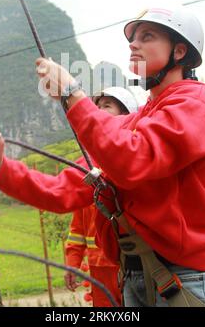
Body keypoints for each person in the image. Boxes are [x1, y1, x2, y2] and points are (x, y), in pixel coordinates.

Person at [0, 7, 205, 307]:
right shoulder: (131, 124)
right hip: (135, 278)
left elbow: (132, 158)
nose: (133, 44)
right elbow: (64, 189)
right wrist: (1, 169)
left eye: (146, 36)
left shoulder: (196, 102)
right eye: (132, 38)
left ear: (179, 50)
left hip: (186, 278)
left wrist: (72, 94)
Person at [64, 87, 138, 307]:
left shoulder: (137, 159)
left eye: (107, 106)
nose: (98, 111)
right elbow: (78, 225)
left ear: (127, 115)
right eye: (97, 106)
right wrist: (73, 261)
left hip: (133, 262)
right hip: (99, 268)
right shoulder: (85, 166)